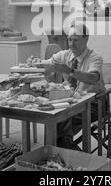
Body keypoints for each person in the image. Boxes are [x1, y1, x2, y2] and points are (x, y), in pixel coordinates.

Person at [42, 21, 105, 150]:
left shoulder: (95, 57)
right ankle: (61, 152)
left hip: (94, 103)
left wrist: (69, 70)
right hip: (75, 102)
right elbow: (46, 64)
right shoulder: (65, 55)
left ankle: (68, 156)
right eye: (69, 40)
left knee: (62, 120)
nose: (71, 44)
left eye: (75, 40)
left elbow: (93, 78)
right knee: (53, 117)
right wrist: (34, 64)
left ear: (86, 39)